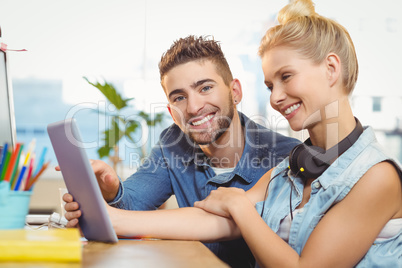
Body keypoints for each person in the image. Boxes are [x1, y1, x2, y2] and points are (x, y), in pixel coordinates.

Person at [66, 0, 402, 266]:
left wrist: (240, 205)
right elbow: (214, 222)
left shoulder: (377, 178)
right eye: (271, 84)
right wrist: (108, 217)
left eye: (286, 77)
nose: (275, 97)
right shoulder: (294, 167)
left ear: (331, 68)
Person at [63, 35, 300, 267]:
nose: (194, 107)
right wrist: (112, 190)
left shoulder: (287, 157)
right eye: (179, 97)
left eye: (205, 88)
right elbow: (134, 203)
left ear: (235, 91)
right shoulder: (173, 143)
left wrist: (113, 219)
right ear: (170, 111)